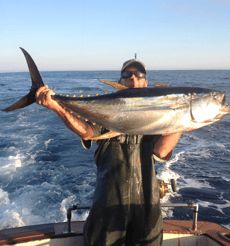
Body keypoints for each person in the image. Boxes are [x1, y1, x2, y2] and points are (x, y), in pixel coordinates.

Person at [36, 59, 182, 246]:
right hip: (107, 205)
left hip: (147, 206)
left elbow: (161, 151)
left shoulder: (157, 117)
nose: (133, 79)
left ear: (146, 82)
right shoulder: (109, 112)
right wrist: (57, 106)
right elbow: (87, 132)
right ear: (120, 83)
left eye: (139, 76)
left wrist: (180, 118)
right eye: (127, 76)